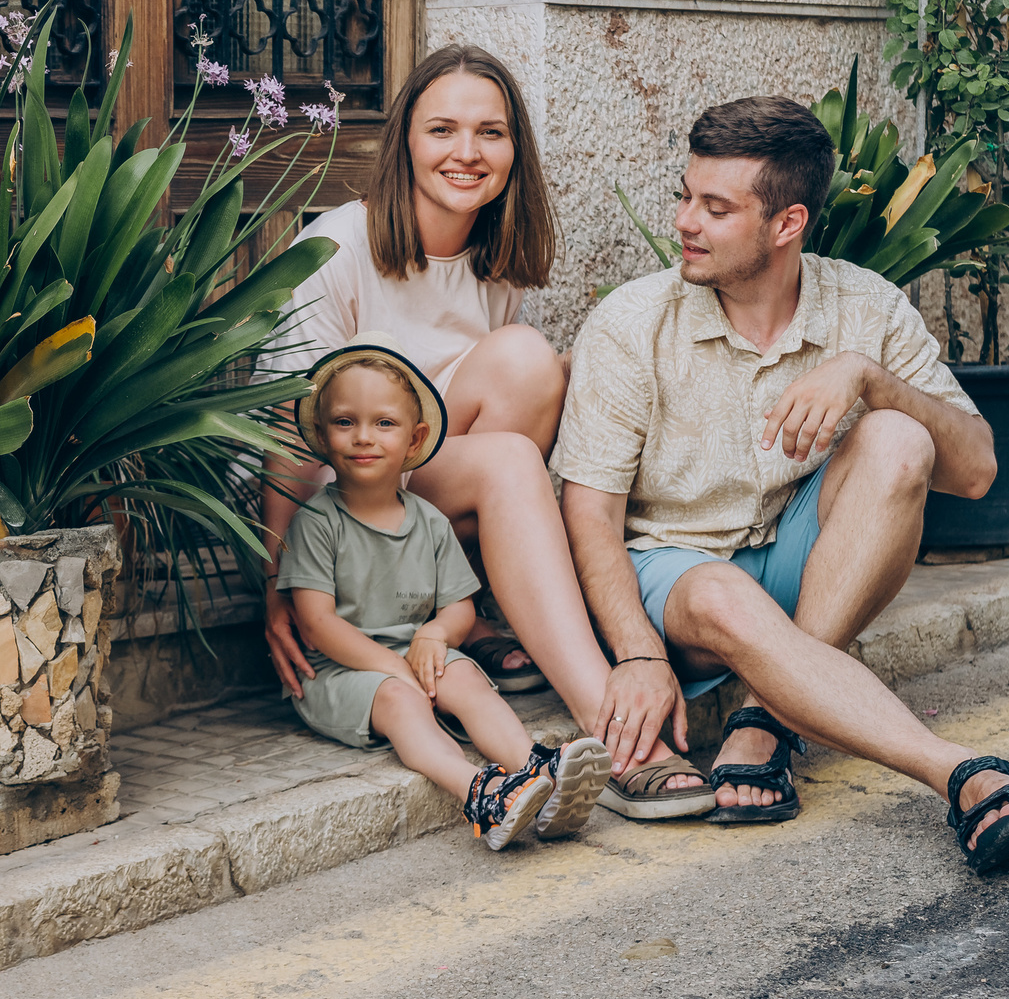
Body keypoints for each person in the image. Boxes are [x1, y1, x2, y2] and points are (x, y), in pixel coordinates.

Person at [552, 94, 1009, 868]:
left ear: (786, 223)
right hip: (678, 580)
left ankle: (766, 715)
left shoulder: (866, 306)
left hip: (798, 566)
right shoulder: (632, 324)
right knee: (725, 593)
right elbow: (588, 514)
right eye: (685, 195)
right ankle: (956, 770)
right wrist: (637, 655)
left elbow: (977, 471)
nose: (685, 222)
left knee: (899, 437)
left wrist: (871, 379)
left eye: (715, 207)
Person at [264, 44, 711, 819]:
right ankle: (612, 721)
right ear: (404, 137)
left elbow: (502, 399)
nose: (467, 153)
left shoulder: (493, 263)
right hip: (342, 525)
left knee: (533, 361)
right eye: (443, 129)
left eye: (490, 133)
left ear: (515, 149)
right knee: (508, 459)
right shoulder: (337, 247)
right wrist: (279, 586)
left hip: (421, 506)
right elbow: (284, 431)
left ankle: (476, 617)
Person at [278, 335, 613, 850]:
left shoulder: (429, 521)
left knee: (465, 678)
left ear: (414, 442)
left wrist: (436, 633)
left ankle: (533, 769)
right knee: (398, 702)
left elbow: (458, 603)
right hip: (339, 671)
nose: (363, 436)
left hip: (412, 653)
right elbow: (316, 624)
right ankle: (480, 792)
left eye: (383, 424)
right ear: (323, 437)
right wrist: (395, 669)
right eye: (346, 422)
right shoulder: (318, 522)